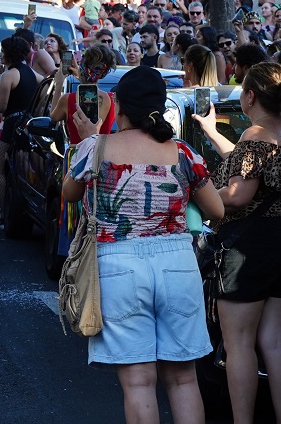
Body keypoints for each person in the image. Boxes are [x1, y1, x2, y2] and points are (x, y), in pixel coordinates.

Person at [63, 65, 223, 424]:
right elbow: (217, 208)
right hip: (178, 262)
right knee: (183, 379)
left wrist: (90, 136)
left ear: (117, 104)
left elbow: (70, 193)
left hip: (118, 265)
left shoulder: (96, 147)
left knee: (138, 383)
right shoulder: (183, 153)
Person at [193, 62, 281, 424]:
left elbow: (237, 195)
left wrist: (199, 191)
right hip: (276, 243)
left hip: (248, 251)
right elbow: (249, 163)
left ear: (250, 96)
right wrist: (212, 131)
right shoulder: (272, 135)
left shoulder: (256, 134)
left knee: (238, 343)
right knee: (274, 343)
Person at [0, 35, 39, 226]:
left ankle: (3, 212)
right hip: (28, 124)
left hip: (12, 124)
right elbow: (46, 82)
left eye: (3, 51)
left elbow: (1, 107)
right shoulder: (30, 72)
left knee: (1, 168)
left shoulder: (8, 75)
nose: (0, 54)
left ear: (9, 53)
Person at [50, 44, 116, 144]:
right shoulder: (113, 99)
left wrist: (59, 84)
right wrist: (82, 75)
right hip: (101, 155)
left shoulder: (68, 99)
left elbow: (53, 116)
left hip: (77, 155)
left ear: (82, 68)